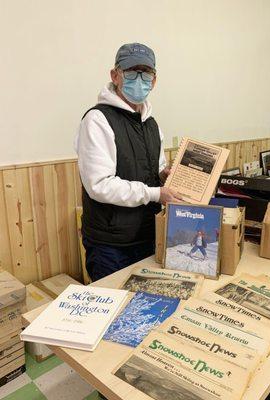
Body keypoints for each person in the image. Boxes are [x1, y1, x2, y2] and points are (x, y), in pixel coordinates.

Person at [75, 43, 181, 283]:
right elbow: (100, 185)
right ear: (115, 75)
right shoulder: (98, 120)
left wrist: (163, 175)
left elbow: (154, 169)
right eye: (132, 72)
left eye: (147, 73)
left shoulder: (152, 124)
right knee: (113, 312)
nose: (140, 80)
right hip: (111, 245)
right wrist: (156, 193)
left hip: (148, 236)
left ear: (154, 80)